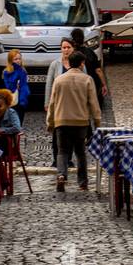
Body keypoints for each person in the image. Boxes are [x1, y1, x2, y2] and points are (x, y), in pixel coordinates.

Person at [46, 51, 101, 192]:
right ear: (82, 63)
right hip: (81, 122)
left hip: (62, 121)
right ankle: (82, 183)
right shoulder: (87, 80)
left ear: (69, 63)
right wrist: (97, 122)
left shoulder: (59, 80)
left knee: (62, 151)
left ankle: (61, 175)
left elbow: (52, 103)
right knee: (80, 152)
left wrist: (50, 122)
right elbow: (94, 104)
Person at [45, 37, 74, 167]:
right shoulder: (55, 64)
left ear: (73, 48)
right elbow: (49, 84)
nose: (66, 50)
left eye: (68, 47)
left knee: (71, 132)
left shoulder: (78, 63)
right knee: (57, 132)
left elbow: (85, 81)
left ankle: (68, 159)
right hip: (58, 104)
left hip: (73, 104)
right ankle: (56, 159)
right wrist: (47, 102)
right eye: (63, 47)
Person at [69, 27, 108, 108]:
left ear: (72, 40)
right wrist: (104, 84)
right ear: (83, 39)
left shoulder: (71, 54)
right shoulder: (90, 52)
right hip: (92, 84)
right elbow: (98, 70)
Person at [2, 49, 30, 125]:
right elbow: (8, 86)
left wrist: (24, 99)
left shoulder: (23, 71)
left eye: (19, 59)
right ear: (11, 60)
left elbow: (24, 85)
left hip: (21, 100)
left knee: (19, 123)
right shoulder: (6, 72)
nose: (18, 61)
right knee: (11, 122)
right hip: (12, 100)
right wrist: (16, 85)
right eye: (16, 59)